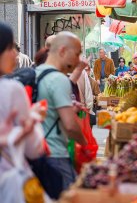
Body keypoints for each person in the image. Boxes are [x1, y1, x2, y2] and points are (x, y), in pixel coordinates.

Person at [35, 31, 87, 190]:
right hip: (55, 155)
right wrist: (85, 145)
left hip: (38, 153)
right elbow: (70, 126)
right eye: (77, 54)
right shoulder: (59, 79)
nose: (78, 59)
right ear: (63, 51)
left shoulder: (37, 73)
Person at [0, 22, 45, 183]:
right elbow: (34, 149)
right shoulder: (11, 90)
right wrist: (33, 118)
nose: (15, 54)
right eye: (10, 48)